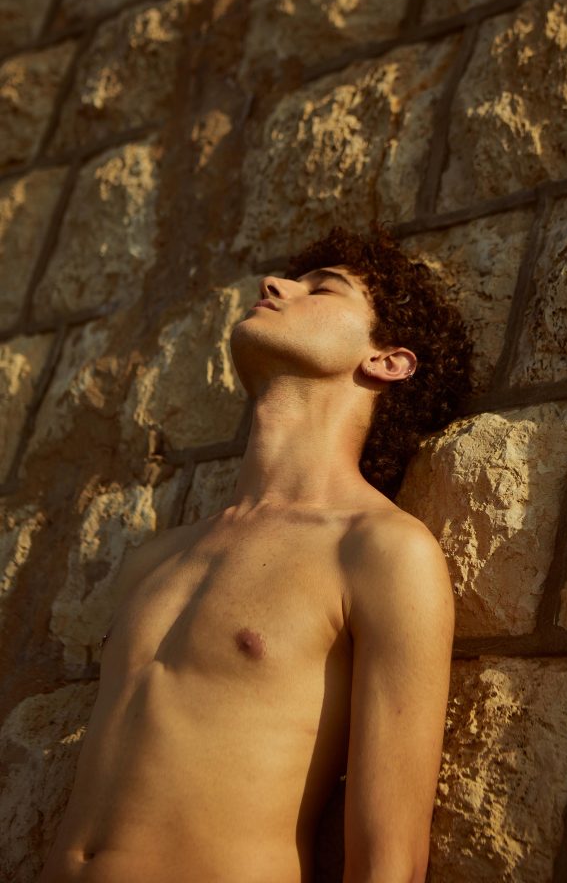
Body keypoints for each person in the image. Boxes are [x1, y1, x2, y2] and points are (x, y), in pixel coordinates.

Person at [38, 224, 472, 883]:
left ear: (386, 360)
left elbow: (388, 861)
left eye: (322, 288)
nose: (273, 285)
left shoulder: (380, 551)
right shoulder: (156, 559)